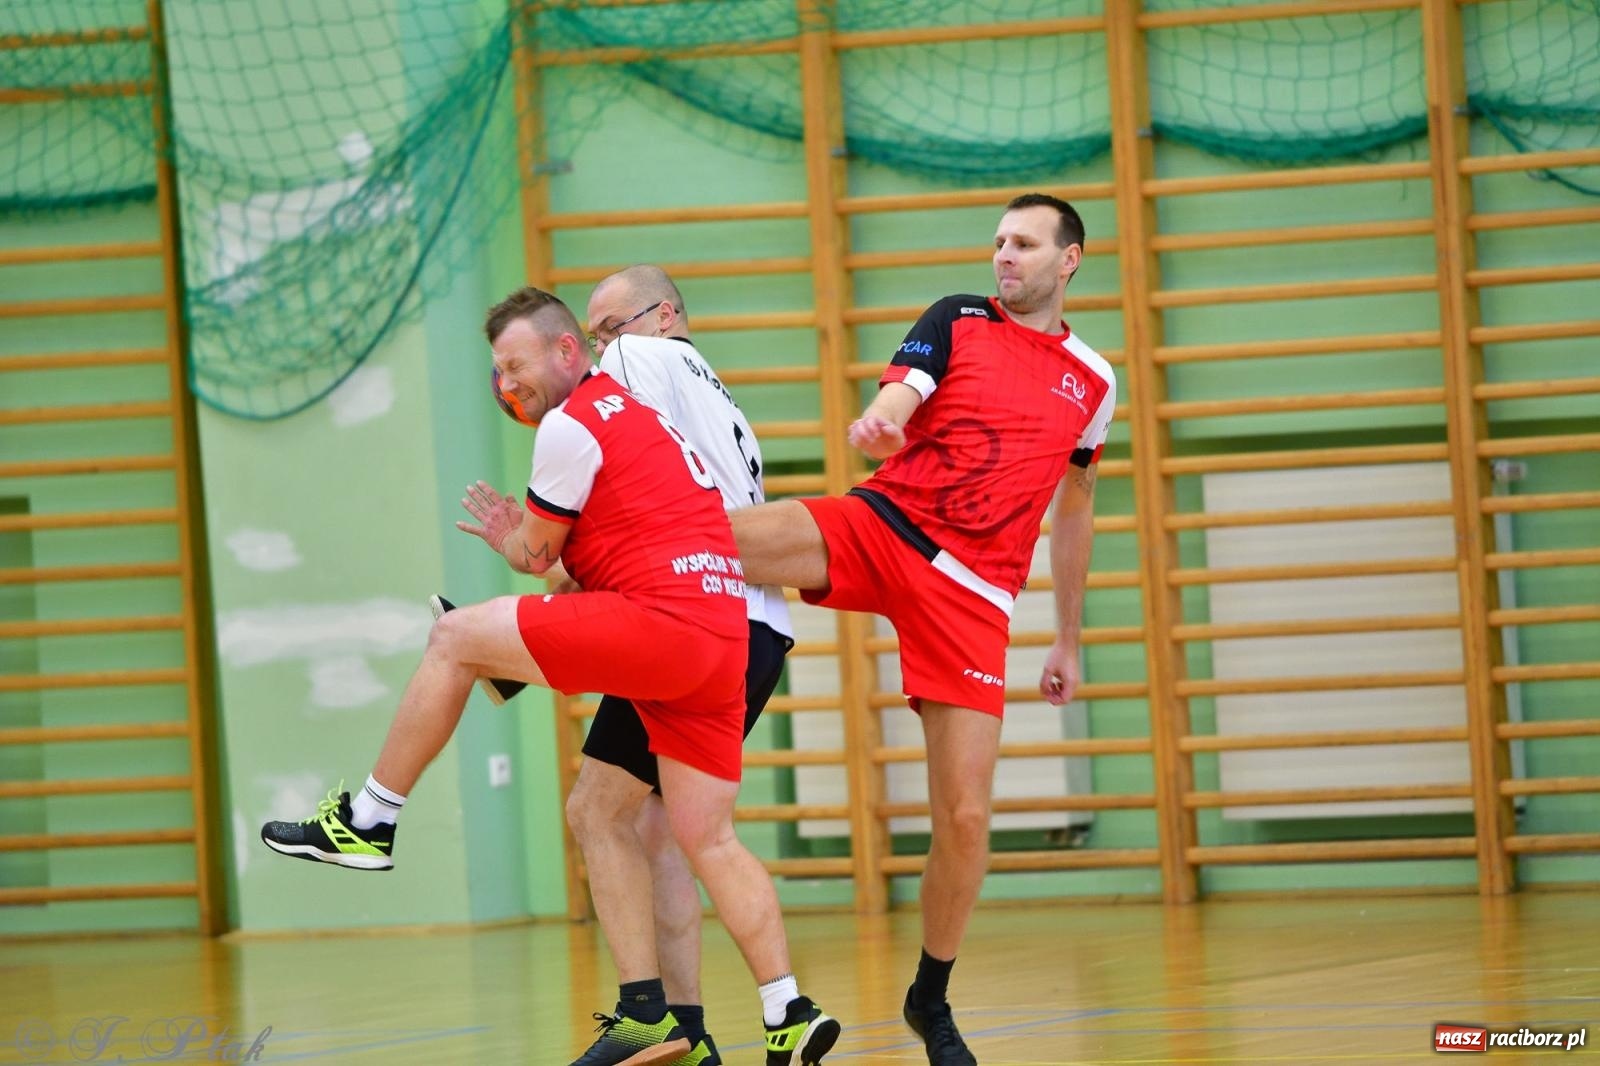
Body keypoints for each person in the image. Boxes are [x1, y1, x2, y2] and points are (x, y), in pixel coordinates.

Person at [260, 287, 838, 1066]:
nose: (506, 385)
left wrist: (511, 538)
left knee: (454, 637)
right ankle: (780, 1010)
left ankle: (368, 818)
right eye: (496, 372)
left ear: (573, 350)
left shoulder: (589, 408)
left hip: (663, 625)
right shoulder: (654, 425)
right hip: (723, 639)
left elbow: (538, 554)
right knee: (680, 829)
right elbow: (615, 546)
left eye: (515, 365)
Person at [728, 193, 1115, 1066]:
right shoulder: (957, 318)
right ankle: (561, 589)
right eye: (998, 243)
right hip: (887, 527)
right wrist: (884, 421)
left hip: (976, 596)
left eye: (1024, 243)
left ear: (1070, 259)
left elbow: (1077, 507)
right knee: (713, 541)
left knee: (967, 816)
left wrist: (1068, 636)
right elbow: (903, 396)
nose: (1004, 256)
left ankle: (929, 998)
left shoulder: (1094, 381)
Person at [438, 265, 798, 1066]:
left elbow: (627, 512)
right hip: (755, 627)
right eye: (594, 334)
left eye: (609, 328)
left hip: (700, 619)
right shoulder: (720, 401)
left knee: (601, 814)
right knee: (664, 832)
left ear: (664, 315)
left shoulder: (641, 366)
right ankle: (699, 1029)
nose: (599, 348)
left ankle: (656, 1016)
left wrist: (537, 566)